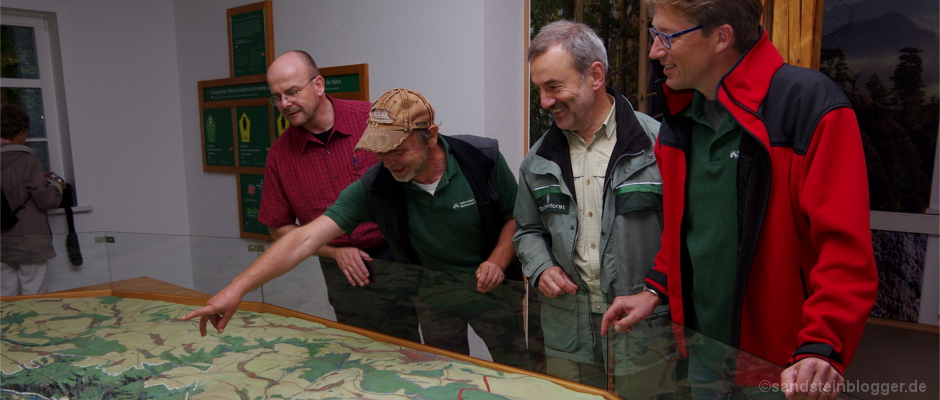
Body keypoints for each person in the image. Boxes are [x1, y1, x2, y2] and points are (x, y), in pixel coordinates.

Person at [601, 1, 879, 399]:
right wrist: (655, 289)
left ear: (721, 38)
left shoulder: (809, 106)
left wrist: (823, 344)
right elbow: (689, 230)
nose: (654, 51)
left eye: (666, 36)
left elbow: (845, 251)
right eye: (653, 33)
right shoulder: (679, 121)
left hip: (783, 366)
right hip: (703, 354)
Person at [184, 88, 533, 370]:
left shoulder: (481, 157)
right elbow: (304, 238)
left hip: (495, 292)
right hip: (434, 298)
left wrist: (497, 262)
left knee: (520, 370)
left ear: (431, 136)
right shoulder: (376, 185)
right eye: (381, 151)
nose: (389, 161)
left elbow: (514, 217)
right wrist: (236, 289)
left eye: (398, 148)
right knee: (445, 375)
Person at [514, 20, 673, 395]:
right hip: (568, 327)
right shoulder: (536, 161)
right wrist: (541, 267)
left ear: (595, 75)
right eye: (539, 89)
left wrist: (655, 292)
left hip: (643, 325)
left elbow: (687, 232)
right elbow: (527, 230)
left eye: (554, 87)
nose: (544, 101)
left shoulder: (660, 146)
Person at [260, 51, 419, 342]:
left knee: (407, 349)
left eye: (292, 92)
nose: (285, 104)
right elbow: (277, 227)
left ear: (318, 85)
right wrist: (333, 252)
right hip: (340, 267)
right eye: (277, 97)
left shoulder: (371, 120)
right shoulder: (279, 155)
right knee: (356, 348)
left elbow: (419, 173)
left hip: (397, 253)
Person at [1, 104, 67, 296]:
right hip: (30, 238)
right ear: (21, 132)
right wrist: (55, 186)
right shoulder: (29, 161)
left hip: (1, 239)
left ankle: (9, 326)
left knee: (5, 295)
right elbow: (46, 200)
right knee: (34, 294)